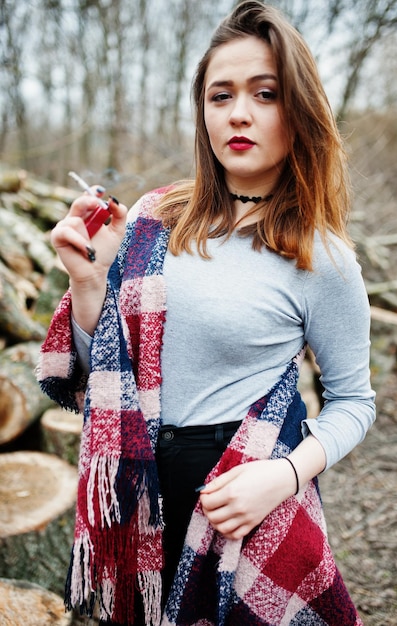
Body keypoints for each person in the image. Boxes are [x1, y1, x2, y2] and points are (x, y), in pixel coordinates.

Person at [37, 1, 376, 625]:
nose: (238, 113)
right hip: (135, 484)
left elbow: (355, 402)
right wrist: (86, 280)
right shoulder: (155, 217)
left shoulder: (321, 255)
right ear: (203, 114)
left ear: (298, 112)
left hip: (239, 486)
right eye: (220, 96)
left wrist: (282, 477)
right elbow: (99, 375)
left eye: (265, 93)